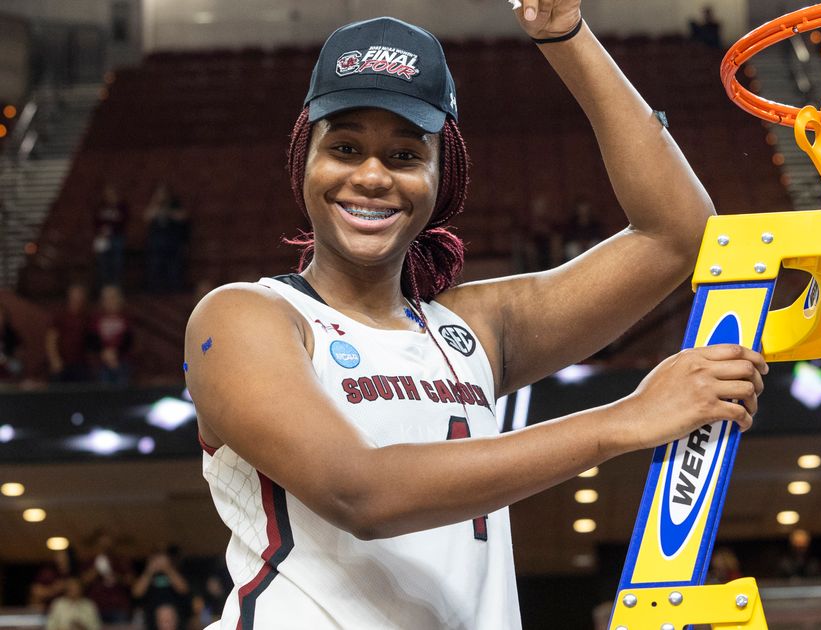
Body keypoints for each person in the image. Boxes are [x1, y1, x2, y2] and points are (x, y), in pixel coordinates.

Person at [184, 3, 766, 628]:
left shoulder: (470, 332)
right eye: (345, 148)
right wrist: (624, 420)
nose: (372, 176)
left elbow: (677, 233)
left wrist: (566, 35)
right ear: (305, 159)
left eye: (406, 155)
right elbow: (361, 493)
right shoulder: (245, 317)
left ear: (444, 176)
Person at [144, 183, 191, 293]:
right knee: (155, 263)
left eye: (163, 193)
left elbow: (183, 216)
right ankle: (154, 289)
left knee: (174, 266)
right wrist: (155, 204)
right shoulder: (155, 205)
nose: (162, 196)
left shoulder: (174, 204)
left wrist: (169, 212)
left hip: (172, 241)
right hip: (157, 243)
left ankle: (175, 288)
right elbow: (146, 217)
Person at [132, 546, 191, 630]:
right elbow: (136, 592)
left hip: (174, 614)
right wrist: (149, 570)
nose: (158, 562)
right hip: (153, 618)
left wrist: (167, 568)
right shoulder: (146, 573)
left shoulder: (175, 571)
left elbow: (183, 588)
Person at [46, 282, 91, 383]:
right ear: (69, 297)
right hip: (61, 362)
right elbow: (51, 338)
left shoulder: (86, 316)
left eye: (80, 297)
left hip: (80, 363)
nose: (77, 299)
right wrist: (54, 359)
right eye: (74, 296)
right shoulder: (60, 315)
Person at [90, 285, 133, 385]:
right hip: (102, 361)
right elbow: (93, 340)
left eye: (113, 298)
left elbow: (128, 340)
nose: (110, 301)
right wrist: (104, 353)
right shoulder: (97, 319)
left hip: (121, 360)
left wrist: (115, 354)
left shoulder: (125, 318)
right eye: (107, 298)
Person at [94, 184, 128, 287]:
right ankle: (105, 285)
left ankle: (116, 285)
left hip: (117, 237)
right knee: (103, 262)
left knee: (116, 262)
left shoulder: (122, 207)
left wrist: (112, 228)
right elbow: (96, 221)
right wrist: (102, 230)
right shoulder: (101, 207)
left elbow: (123, 221)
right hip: (103, 238)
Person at [0, 302, 22, 382]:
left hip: (8, 367)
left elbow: (18, 363)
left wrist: (6, 360)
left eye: (1, 315)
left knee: (16, 366)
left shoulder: (11, 334)